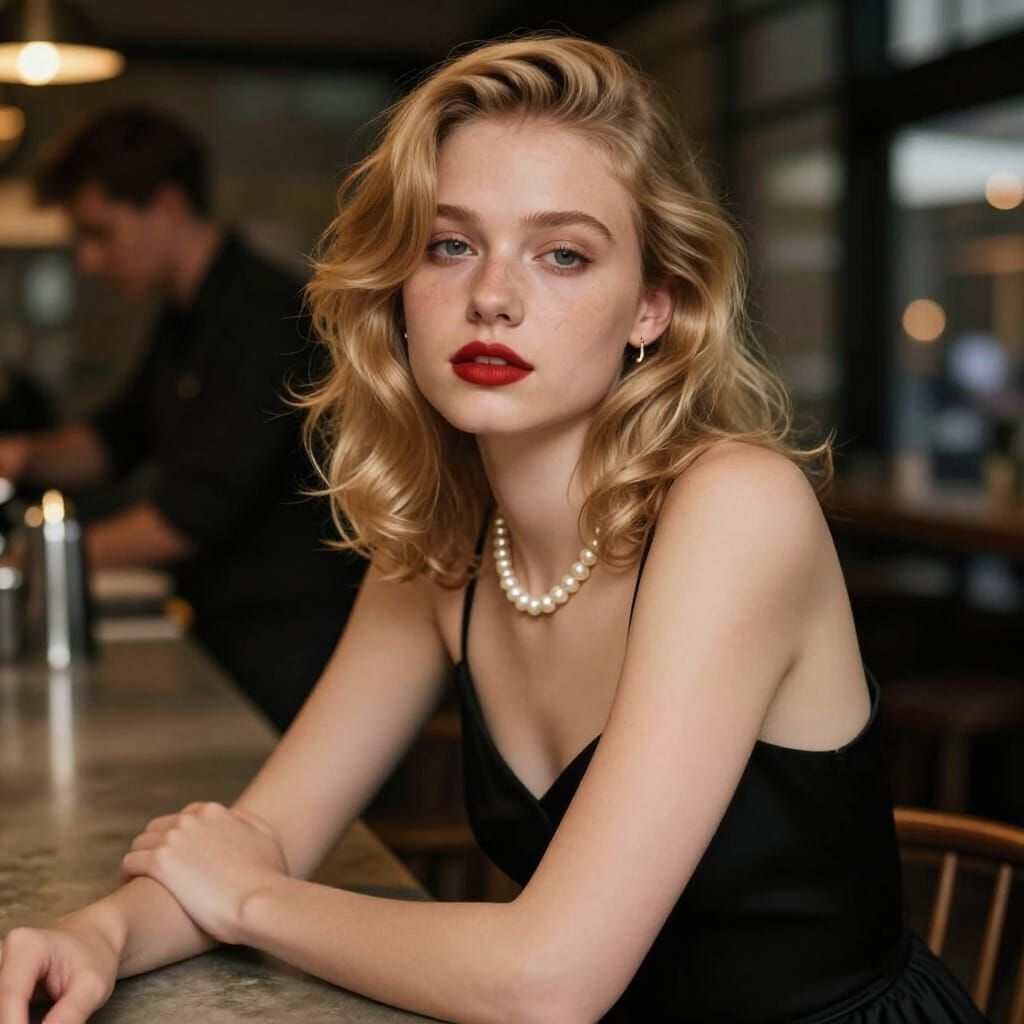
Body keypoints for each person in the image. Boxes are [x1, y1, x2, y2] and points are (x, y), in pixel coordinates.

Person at [0, 36, 985, 1024]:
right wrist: (97, 936)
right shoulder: (445, 542)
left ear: (653, 306)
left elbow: (547, 981)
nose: (492, 298)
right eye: (450, 244)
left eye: (564, 255)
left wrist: (251, 901)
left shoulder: (736, 508)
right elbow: (265, 831)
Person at [0, 107, 366, 731]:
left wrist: (28, 563)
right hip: (224, 623)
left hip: (290, 640)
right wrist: (23, 455)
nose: (88, 260)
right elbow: (115, 439)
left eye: (100, 233)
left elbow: (190, 515)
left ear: (167, 205)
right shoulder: (182, 316)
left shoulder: (260, 315)